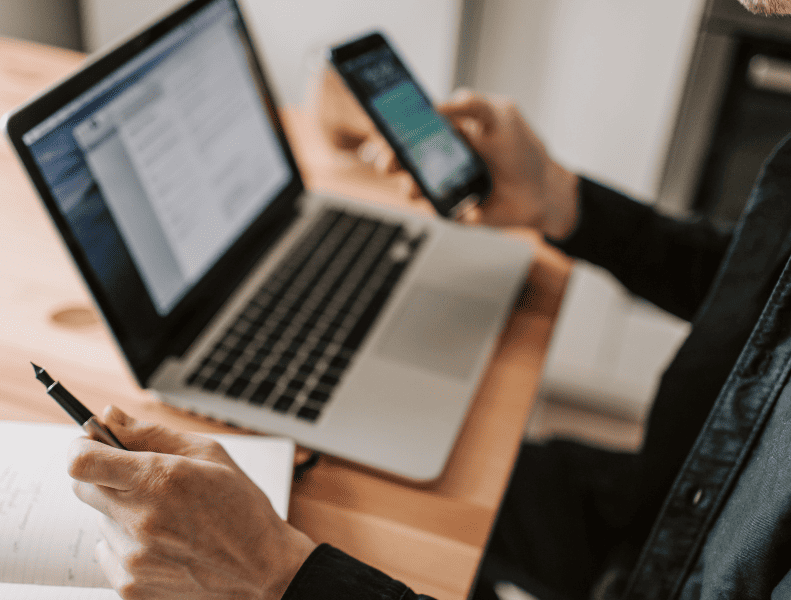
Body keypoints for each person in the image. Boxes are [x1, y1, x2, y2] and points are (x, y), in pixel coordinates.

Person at [67, 0, 791, 598]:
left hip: (664, 569)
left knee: (369, 521)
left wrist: (277, 575)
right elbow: (762, 291)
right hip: (665, 494)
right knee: (404, 489)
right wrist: (563, 202)